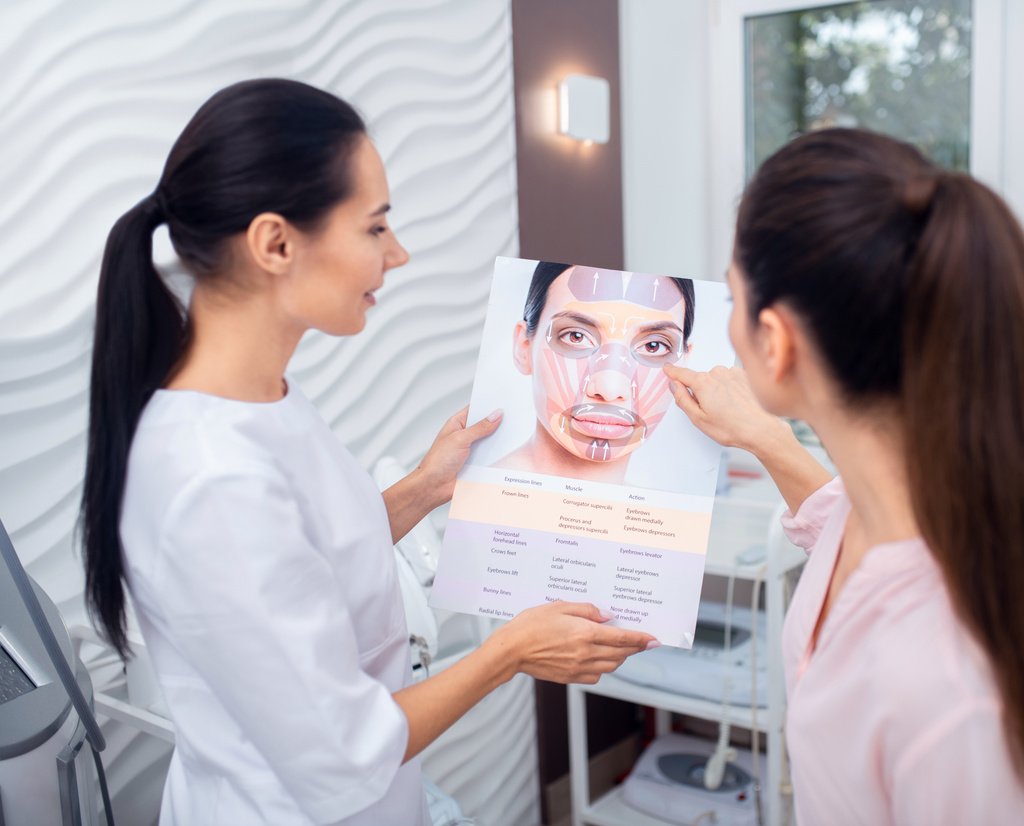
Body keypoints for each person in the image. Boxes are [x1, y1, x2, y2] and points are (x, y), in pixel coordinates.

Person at [79, 79, 654, 825]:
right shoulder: (209, 476)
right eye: (376, 228)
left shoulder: (266, 400)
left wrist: (425, 485)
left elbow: (307, 560)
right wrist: (507, 654)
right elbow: (343, 756)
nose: (399, 253)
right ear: (276, 243)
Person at [665, 129, 1024, 825]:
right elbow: (837, 521)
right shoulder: (904, 503)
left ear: (775, 341)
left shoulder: (951, 694)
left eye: (730, 301)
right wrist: (762, 437)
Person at [494, 261, 695, 482]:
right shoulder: (477, 501)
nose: (610, 389)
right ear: (524, 347)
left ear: (683, 364)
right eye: (576, 336)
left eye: (653, 346)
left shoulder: (666, 512)